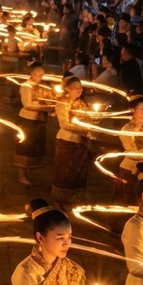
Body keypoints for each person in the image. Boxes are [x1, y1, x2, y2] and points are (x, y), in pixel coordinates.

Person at [52, 77, 91, 209]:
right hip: (66, 141)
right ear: (67, 89)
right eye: (75, 88)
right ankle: (59, 200)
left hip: (80, 142)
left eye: (80, 88)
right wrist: (85, 129)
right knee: (64, 171)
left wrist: (93, 123)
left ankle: (73, 199)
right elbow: (65, 125)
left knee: (78, 172)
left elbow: (89, 119)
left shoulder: (82, 104)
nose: (79, 90)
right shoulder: (62, 103)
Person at [14, 63, 55, 186]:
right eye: (38, 75)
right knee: (25, 147)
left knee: (34, 148)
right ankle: (21, 174)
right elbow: (27, 104)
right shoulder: (26, 86)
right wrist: (45, 107)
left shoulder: (42, 87)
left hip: (39, 120)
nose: (41, 78)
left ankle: (29, 172)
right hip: (27, 120)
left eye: (42, 75)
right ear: (32, 74)